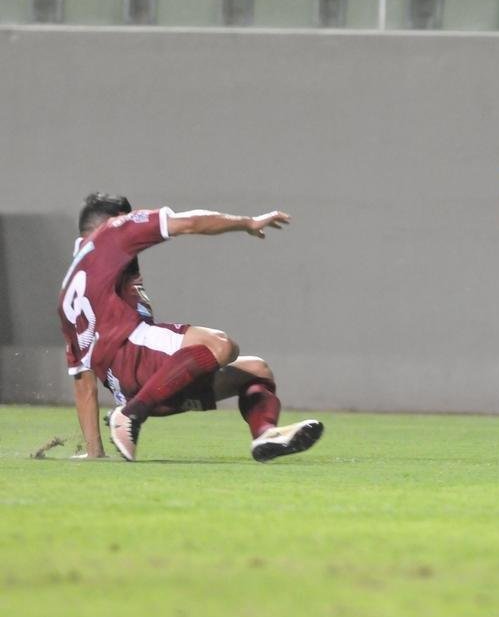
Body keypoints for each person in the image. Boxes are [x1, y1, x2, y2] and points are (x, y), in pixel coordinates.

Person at [59, 192, 324, 463]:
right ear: (117, 218)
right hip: (137, 358)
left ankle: (265, 434)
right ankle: (131, 415)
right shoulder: (112, 232)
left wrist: (94, 451)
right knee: (220, 345)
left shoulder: (69, 289)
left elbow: (82, 381)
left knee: (257, 371)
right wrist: (248, 223)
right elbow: (188, 223)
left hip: (144, 389)